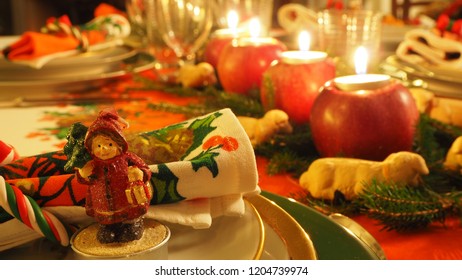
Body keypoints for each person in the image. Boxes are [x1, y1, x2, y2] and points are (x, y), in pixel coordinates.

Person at [76, 108, 152, 243]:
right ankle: (107, 227)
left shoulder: (127, 158)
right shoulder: (92, 164)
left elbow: (145, 168)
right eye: (98, 145)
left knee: (130, 220)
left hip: (127, 200)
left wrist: (140, 173)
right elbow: (84, 180)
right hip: (102, 203)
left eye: (109, 144)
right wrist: (83, 174)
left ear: (119, 144)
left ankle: (133, 224)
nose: (103, 149)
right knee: (106, 232)